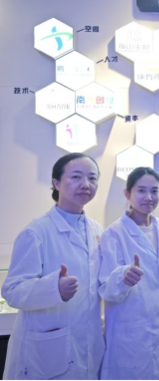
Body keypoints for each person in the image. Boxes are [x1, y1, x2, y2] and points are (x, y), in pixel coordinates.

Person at [1, 153, 104, 380]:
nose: (86, 184)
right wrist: (53, 289)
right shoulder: (36, 232)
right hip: (47, 347)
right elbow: (12, 291)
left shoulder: (97, 230)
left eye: (92, 178)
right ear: (56, 183)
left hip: (87, 341)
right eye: (76, 177)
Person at [98, 167, 159, 380]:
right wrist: (123, 278)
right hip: (132, 330)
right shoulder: (114, 233)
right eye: (141, 190)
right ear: (127, 194)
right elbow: (105, 288)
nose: (149, 197)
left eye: (154, 191)